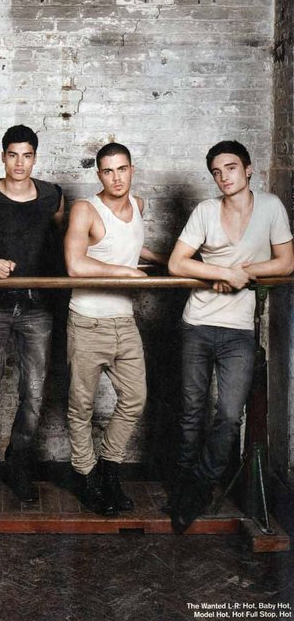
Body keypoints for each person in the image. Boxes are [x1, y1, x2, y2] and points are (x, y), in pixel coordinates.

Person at [168, 140, 293, 533]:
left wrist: (244, 273)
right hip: (197, 323)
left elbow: (286, 262)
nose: (224, 177)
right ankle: (184, 485)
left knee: (227, 414)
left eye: (231, 168)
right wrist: (222, 273)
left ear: (249, 169)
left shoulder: (271, 207)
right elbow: (176, 263)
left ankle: (201, 484)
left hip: (238, 330)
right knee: (191, 412)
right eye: (217, 172)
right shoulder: (206, 211)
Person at [0, 124, 64, 521]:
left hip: (38, 307)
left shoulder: (53, 196)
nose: (19, 163)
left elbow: (62, 244)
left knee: (34, 393)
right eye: (12, 155)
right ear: (3, 156)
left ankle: (18, 460)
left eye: (27, 155)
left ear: (35, 158)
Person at [64, 142, 165, 515]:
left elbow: (128, 245)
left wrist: (167, 260)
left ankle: (109, 468)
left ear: (132, 170)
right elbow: (75, 264)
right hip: (87, 320)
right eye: (108, 171)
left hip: (124, 320)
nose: (116, 178)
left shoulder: (139, 205)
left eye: (122, 169)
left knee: (135, 398)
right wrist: (124, 272)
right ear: (99, 175)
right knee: (81, 407)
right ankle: (86, 475)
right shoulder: (85, 210)